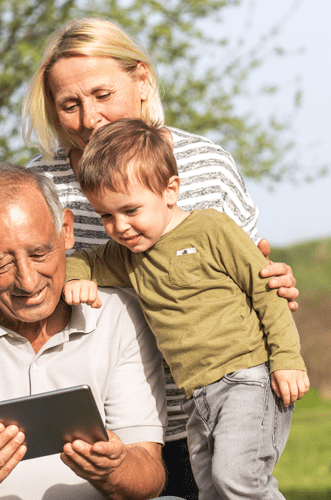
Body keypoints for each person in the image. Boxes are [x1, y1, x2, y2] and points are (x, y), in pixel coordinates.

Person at [0, 18, 300, 499]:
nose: (90, 119)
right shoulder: (44, 183)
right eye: (70, 104)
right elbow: (9, 266)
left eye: (102, 94)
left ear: (142, 80)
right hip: (118, 419)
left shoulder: (206, 166)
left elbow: (253, 275)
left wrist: (278, 303)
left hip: (216, 388)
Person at [0, 162, 181, 500]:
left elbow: (148, 471)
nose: (28, 281)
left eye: (39, 252)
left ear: (66, 230)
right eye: (1, 265)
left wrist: (115, 470)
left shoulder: (118, 316)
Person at [62, 118, 310, 500]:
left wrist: (287, 358)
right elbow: (82, 260)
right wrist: (76, 279)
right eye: (106, 216)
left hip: (247, 378)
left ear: (170, 190)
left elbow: (266, 292)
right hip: (198, 396)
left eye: (130, 210)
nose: (120, 227)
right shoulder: (128, 257)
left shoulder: (211, 228)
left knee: (238, 482)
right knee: (209, 491)